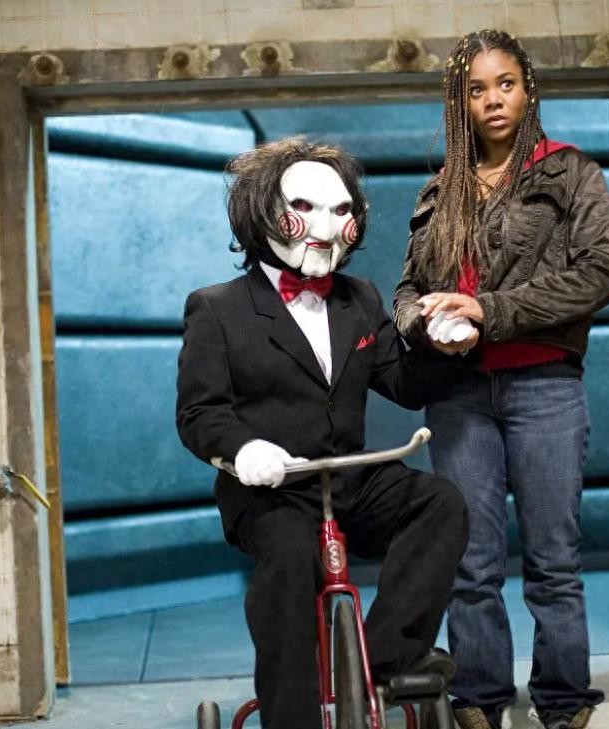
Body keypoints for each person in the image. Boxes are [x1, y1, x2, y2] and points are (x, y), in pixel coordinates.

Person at [176, 137, 468, 729]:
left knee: (439, 503)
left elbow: (402, 382)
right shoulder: (216, 308)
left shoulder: (358, 299)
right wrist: (243, 448)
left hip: (350, 481)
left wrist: (440, 345)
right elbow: (199, 412)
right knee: (289, 556)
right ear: (261, 210)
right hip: (272, 492)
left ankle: (384, 661)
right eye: (305, 208)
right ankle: (294, 715)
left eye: (340, 211)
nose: (325, 226)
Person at [393, 29, 609, 729]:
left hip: (543, 386)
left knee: (553, 557)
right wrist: (423, 320)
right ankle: (479, 696)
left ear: (527, 90)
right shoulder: (439, 189)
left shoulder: (569, 171)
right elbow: (407, 288)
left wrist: (487, 311)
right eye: (476, 89)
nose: (492, 99)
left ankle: (562, 699)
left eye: (505, 84)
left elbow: (598, 274)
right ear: (457, 103)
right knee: (471, 561)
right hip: (458, 392)